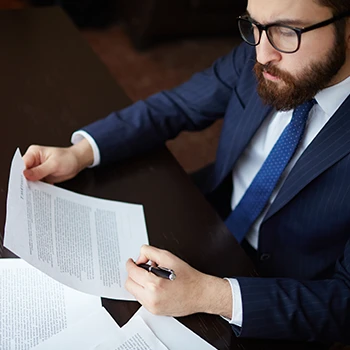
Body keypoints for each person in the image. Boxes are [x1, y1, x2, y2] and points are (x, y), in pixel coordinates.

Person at [22, 0, 350, 344]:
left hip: (289, 296)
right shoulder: (260, 52)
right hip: (210, 217)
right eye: (254, 25)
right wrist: (81, 152)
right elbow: (178, 106)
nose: (262, 53)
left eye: (286, 31)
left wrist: (210, 295)